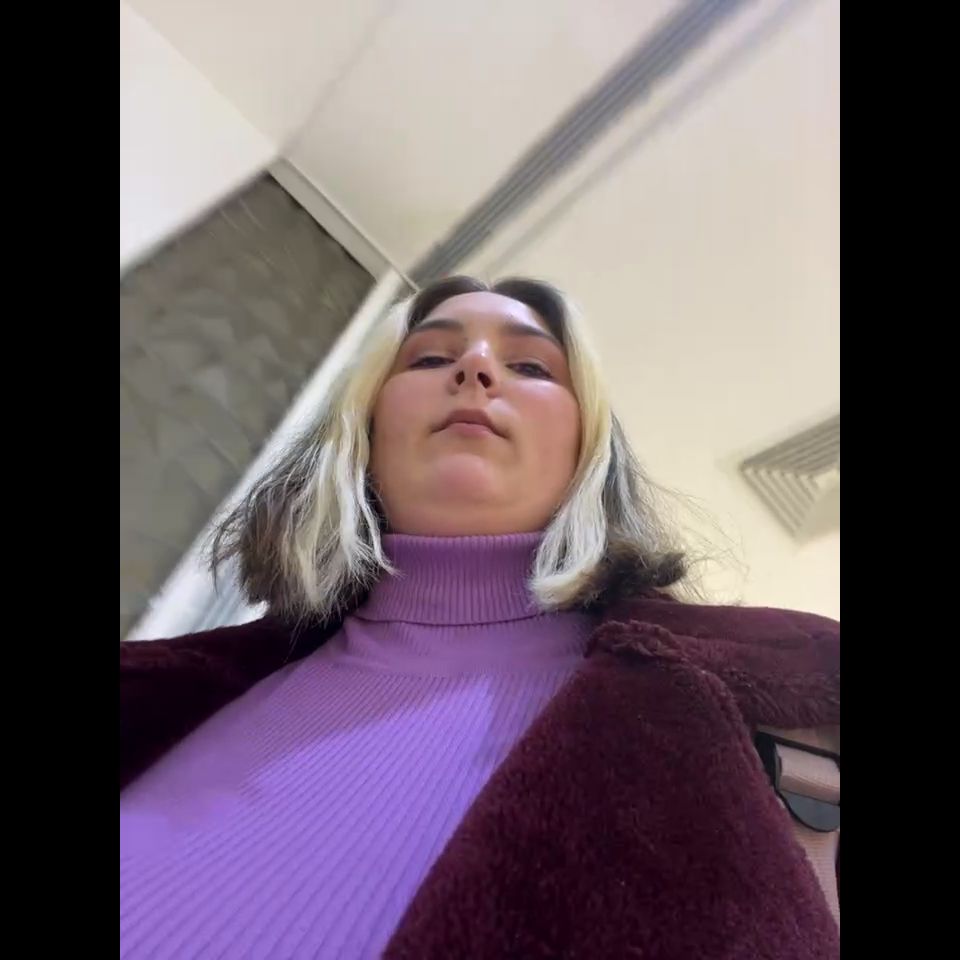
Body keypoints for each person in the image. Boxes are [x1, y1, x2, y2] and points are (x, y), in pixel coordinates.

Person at [120, 276, 840, 959]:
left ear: (590, 449)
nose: (475, 367)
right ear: (364, 426)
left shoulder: (797, 711)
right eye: (430, 358)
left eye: (531, 366)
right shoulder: (167, 691)